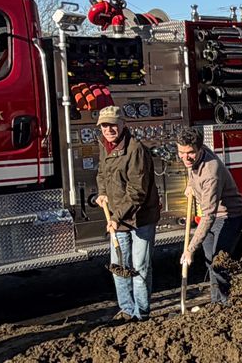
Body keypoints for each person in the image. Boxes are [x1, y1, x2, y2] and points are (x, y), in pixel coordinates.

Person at [94, 105, 160, 321]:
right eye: (104, 125)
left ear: (123, 124)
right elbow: (102, 173)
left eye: (113, 124)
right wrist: (102, 193)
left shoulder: (135, 150)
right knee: (119, 267)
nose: (109, 129)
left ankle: (142, 313)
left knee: (140, 268)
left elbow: (137, 191)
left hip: (141, 218)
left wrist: (115, 217)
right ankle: (127, 310)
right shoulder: (104, 146)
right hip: (118, 218)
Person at [177, 127, 242, 306]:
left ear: (199, 149)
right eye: (181, 152)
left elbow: (209, 215)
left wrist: (190, 249)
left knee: (219, 263)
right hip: (212, 216)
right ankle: (216, 304)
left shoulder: (211, 173)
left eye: (190, 153)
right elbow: (191, 167)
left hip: (229, 216)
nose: (185, 157)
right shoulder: (196, 155)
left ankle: (226, 304)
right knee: (210, 262)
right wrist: (191, 184)